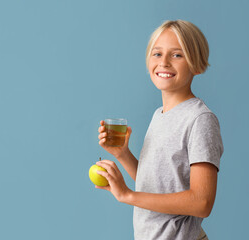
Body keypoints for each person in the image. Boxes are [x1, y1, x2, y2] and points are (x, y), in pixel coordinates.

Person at [96, 20, 224, 240]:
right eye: (157, 54)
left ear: (196, 64)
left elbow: (202, 203)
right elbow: (160, 184)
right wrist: (123, 155)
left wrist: (127, 195)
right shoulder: (159, 115)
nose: (164, 62)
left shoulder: (200, 119)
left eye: (177, 55)